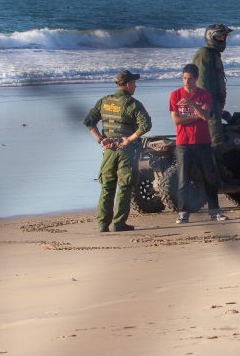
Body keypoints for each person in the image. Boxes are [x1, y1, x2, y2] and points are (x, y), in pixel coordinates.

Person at [83, 69, 153, 232]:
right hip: (126, 151)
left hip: (108, 150)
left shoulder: (104, 101)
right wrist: (129, 139)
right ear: (128, 85)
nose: (135, 86)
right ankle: (119, 223)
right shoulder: (133, 104)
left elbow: (88, 122)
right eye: (134, 83)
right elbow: (146, 125)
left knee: (107, 186)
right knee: (125, 185)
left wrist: (101, 139)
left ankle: (102, 223)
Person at [169, 63, 225, 223]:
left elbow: (206, 116)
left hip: (202, 141)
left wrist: (192, 104)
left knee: (209, 177)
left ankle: (215, 211)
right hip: (183, 143)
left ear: (196, 79)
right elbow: (177, 120)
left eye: (190, 79)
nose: (186, 82)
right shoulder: (175, 95)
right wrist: (196, 116)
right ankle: (183, 213)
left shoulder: (204, 95)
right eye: (184, 78)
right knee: (183, 179)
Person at [191, 24, 232, 150]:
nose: (222, 39)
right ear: (211, 37)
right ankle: (212, 169)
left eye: (224, 36)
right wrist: (210, 109)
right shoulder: (204, 53)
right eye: (219, 36)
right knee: (216, 144)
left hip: (214, 108)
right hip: (209, 109)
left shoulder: (214, 55)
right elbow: (201, 83)